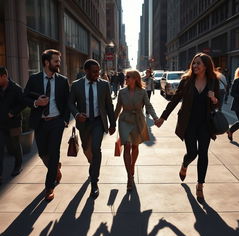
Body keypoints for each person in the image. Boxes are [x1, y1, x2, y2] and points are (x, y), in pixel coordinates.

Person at [155, 53, 219, 202]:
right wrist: (163, 117)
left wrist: (213, 98)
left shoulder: (213, 81)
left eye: (198, 63)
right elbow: (174, 100)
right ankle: (185, 164)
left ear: (206, 66)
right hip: (189, 123)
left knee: (203, 153)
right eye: (194, 63)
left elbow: (218, 103)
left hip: (205, 124)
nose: (195, 66)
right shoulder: (186, 81)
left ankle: (200, 185)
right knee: (192, 153)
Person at [23, 49, 70, 201]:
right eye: (56, 61)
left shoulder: (62, 81)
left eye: (59, 61)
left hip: (56, 121)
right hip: (40, 123)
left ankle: (49, 187)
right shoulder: (34, 79)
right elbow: (25, 98)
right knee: (43, 153)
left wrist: (65, 120)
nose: (59, 64)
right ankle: (55, 167)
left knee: (54, 151)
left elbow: (67, 102)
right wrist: (36, 103)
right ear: (46, 62)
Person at [69, 59, 116, 199]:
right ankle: (93, 164)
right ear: (87, 71)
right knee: (87, 149)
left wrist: (113, 124)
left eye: (99, 71)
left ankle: (94, 183)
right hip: (84, 124)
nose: (98, 74)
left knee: (96, 148)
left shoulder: (104, 85)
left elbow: (109, 105)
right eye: (95, 71)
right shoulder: (76, 85)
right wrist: (77, 114)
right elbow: (70, 103)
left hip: (98, 122)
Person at [114, 70, 159, 191]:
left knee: (135, 146)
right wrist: (112, 123)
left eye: (128, 77)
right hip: (124, 120)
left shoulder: (142, 92)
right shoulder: (122, 92)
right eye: (125, 77)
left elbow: (148, 106)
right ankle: (129, 176)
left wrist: (155, 118)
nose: (126, 78)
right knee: (127, 146)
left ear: (135, 79)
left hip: (138, 121)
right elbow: (118, 108)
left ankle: (132, 166)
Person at [0, 67, 25, 185]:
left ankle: (18, 165)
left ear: (4, 76)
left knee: (15, 146)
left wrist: (13, 112)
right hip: (1, 124)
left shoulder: (16, 88)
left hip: (14, 123)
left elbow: (23, 103)